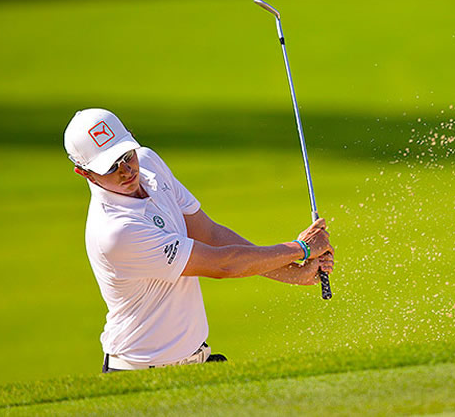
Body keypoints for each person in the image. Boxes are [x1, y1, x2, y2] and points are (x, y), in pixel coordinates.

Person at [63, 108, 334, 372]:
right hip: (140, 373)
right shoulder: (116, 231)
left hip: (197, 364)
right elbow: (221, 265)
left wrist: (294, 274)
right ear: (84, 173)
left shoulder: (149, 163)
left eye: (126, 155)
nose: (126, 170)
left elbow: (211, 235)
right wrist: (301, 248)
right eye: (110, 167)